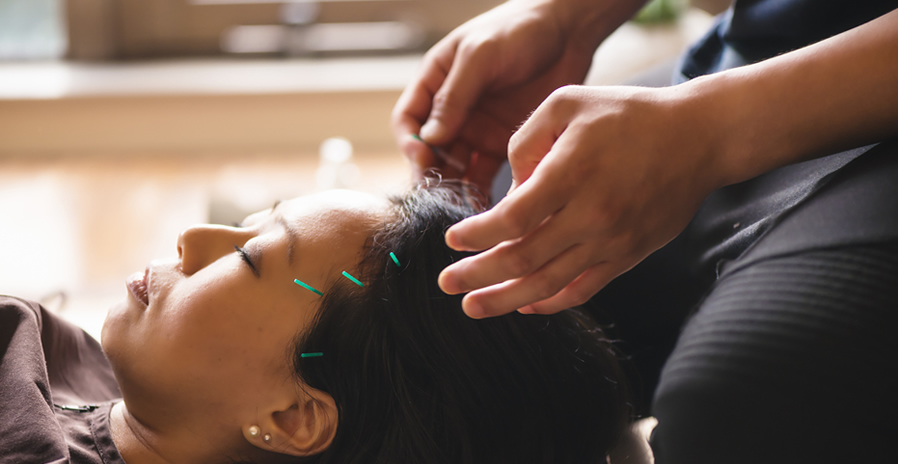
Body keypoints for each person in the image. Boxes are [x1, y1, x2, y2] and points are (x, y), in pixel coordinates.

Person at [392, 0, 898, 462]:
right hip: (766, 47)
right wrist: (572, 17)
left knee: (745, 406)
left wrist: (711, 130)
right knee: (460, 324)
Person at [0, 184, 632, 464]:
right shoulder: (70, 356)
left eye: (249, 258)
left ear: (293, 418)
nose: (193, 238)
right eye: (250, 222)